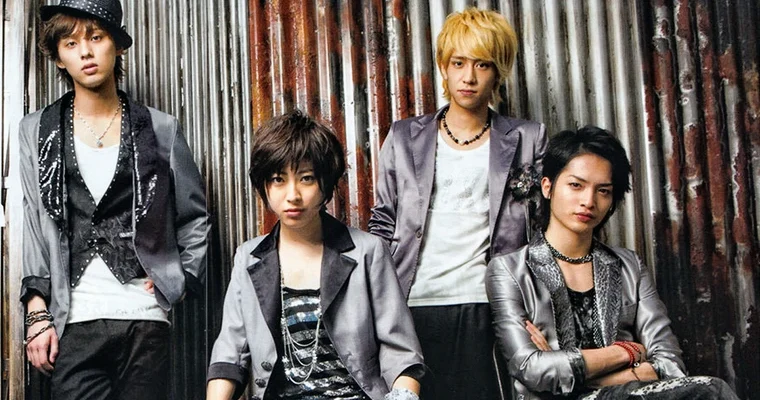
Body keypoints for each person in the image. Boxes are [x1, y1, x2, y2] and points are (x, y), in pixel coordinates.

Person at [19, 0, 209, 398]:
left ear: (118, 45)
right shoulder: (36, 130)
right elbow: (35, 221)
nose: (86, 52)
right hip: (72, 322)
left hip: (145, 320)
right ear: (58, 57)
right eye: (71, 43)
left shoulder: (160, 128)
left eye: (96, 37)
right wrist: (37, 313)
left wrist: (178, 280)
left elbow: (194, 217)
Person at [368, 7, 546, 399]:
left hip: (488, 305)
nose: (469, 77)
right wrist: (376, 307)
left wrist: (539, 311)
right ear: (444, 67)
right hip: (414, 303)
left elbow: (543, 231)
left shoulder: (528, 139)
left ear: (498, 71)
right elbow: (382, 223)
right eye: (459, 63)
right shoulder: (403, 137)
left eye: (482, 64)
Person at [486, 126, 739, 399]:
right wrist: (627, 352)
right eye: (576, 185)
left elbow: (669, 364)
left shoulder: (629, 266)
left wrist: (568, 369)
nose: (588, 201)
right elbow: (531, 369)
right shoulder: (509, 270)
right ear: (547, 187)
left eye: (603, 191)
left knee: (711, 390)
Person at [206, 110, 424, 400]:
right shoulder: (248, 258)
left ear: (325, 185)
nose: (292, 195)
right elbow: (230, 355)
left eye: (306, 179)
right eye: (278, 179)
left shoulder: (368, 252)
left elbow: (401, 353)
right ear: (264, 186)